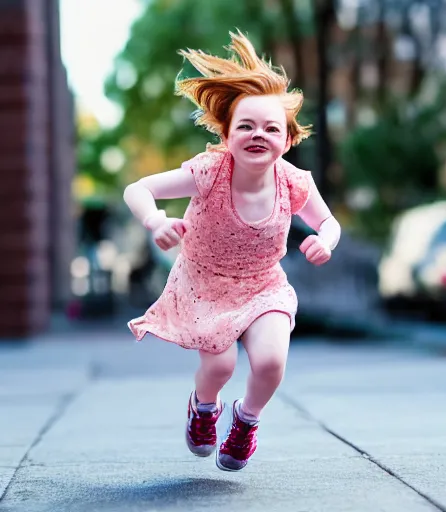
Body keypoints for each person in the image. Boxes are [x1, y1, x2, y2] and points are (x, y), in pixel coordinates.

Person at [123, 30, 341, 472]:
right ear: (226, 134)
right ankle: (204, 408)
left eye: (270, 128)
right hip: (204, 282)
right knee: (220, 367)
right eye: (246, 126)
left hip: (264, 284)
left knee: (271, 360)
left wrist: (326, 240)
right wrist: (156, 221)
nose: (258, 134)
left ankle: (246, 421)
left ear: (288, 138)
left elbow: (327, 221)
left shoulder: (294, 182)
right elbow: (138, 188)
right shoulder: (209, 171)